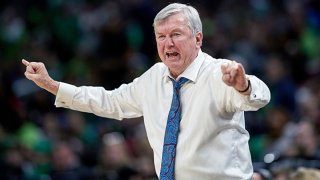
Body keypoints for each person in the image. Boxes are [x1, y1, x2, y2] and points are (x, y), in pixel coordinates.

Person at [22, 3, 271, 180]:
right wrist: (52, 86)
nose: (167, 43)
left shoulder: (218, 73)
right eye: (161, 36)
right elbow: (110, 101)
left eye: (176, 34)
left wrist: (243, 85)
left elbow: (259, 96)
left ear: (198, 39)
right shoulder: (154, 77)